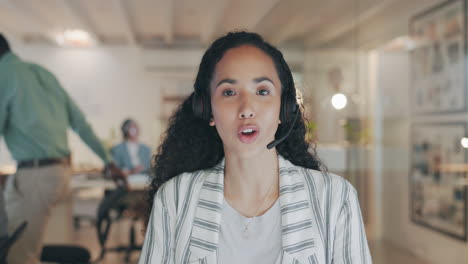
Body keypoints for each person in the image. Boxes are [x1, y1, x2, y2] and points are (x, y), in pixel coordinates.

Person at [139, 32, 371, 264]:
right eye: (229, 92)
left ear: (284, 108)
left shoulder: (335, 198)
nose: (247, 109)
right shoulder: (174, 198)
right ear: (208, 109)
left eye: (262, 91)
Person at [0, 34, 123, 264]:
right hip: (58, 174)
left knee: (17, 256)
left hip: (34, 177)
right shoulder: (42, 73)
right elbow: (81, 124)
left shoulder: (4, 75)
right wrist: (108, 161)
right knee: (31, 249)